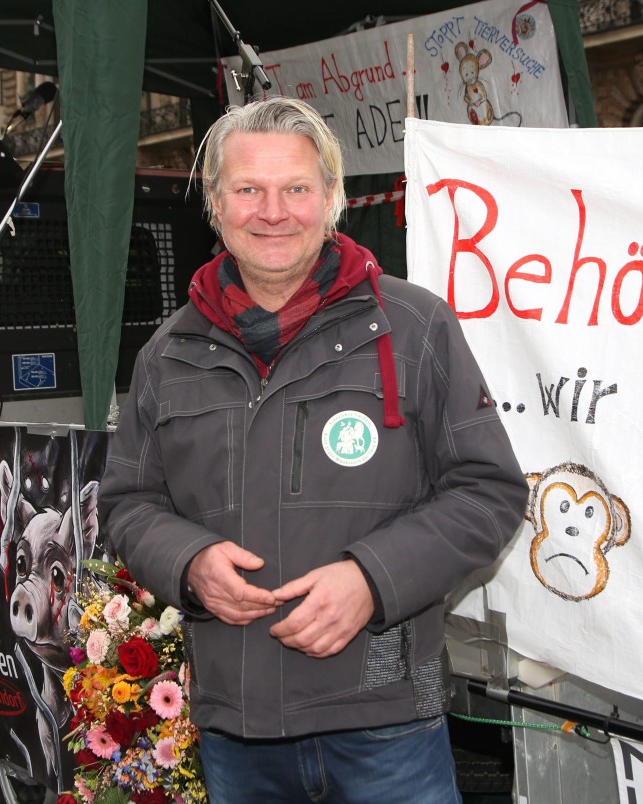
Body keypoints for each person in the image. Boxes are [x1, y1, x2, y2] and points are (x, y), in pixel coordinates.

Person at [99, 96, 526, 803]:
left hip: (386, 721)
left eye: (296, 188)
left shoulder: (415, 327)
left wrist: (371, 579)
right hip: (238, 730)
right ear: (216, 203)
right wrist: (188, 560)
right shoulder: (168, 353)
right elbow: (128, 502)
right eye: (249, 190)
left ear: (331, 198)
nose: (273, 211)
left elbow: (490, 491)